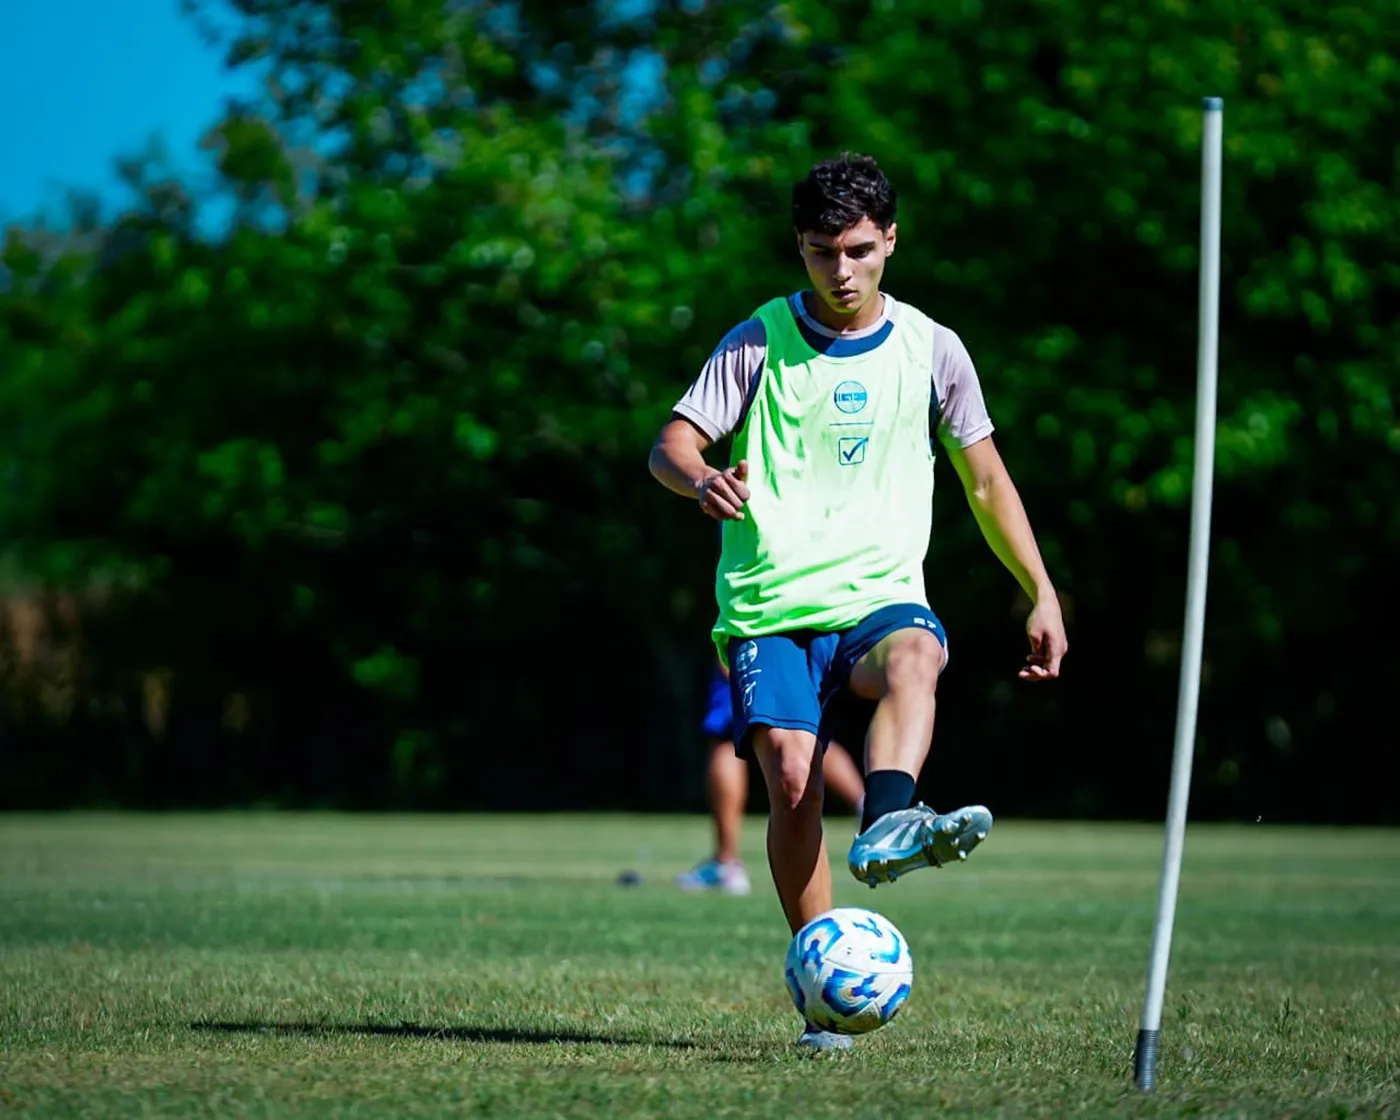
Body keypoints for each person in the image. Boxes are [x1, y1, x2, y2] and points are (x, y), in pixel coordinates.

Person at [647, 152, 1068, 1051]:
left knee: (920, 652)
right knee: (792, 784)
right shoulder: (758, 340)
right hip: (768, 608)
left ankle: (887, 821)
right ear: (798, 249)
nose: (838, 272)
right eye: (817, 252)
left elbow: (988, 484)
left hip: (878, 594)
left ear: (890, 243)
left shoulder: (931, 348)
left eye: (857, 250)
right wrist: (701, 479)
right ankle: (821, 981)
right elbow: (670, 446)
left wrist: (1041, 591)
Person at [676, 656, 865, 897]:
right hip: (805, 631)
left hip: (754, 625)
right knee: (801, 728)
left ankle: (726, 863)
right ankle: (869, 809)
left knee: (726, 735)